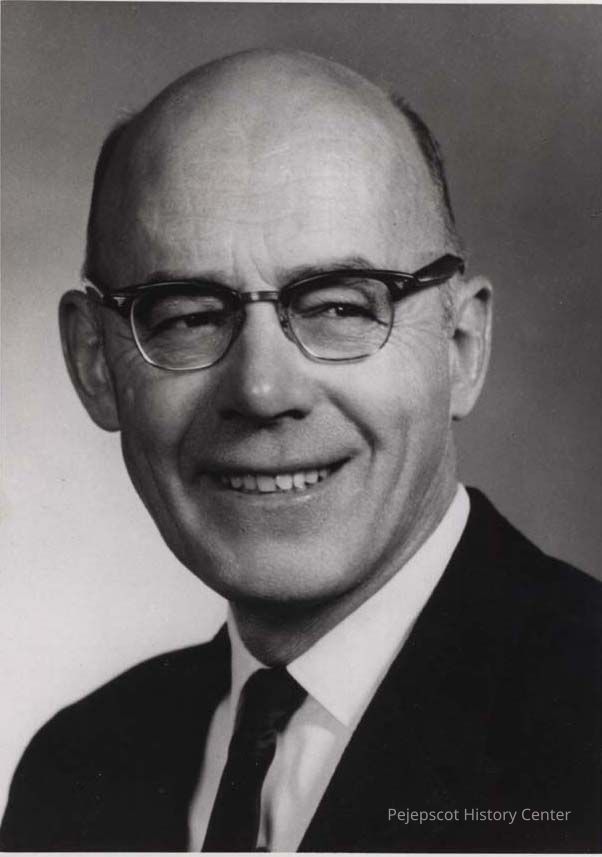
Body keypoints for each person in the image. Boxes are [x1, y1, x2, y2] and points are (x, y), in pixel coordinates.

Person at [1, 49, 599, 853]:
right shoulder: (73, 772)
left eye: (340, 307)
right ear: (95, 363)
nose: (261, 389)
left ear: (460, 346)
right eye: (186, 315)